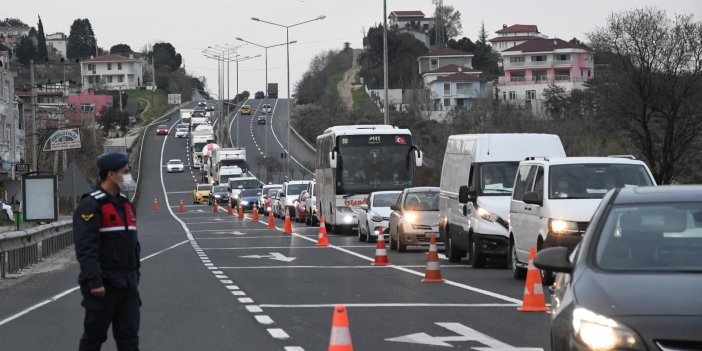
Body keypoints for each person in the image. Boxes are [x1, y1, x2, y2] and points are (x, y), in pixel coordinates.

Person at [73, 152, 141, 351]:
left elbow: (133, 247)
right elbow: (86, 248)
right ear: (111, 174)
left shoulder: (126, 206)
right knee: (94, 338)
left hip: (128, 286)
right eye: (125, 172)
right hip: (103, 286)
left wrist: (135, 277)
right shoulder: (91, 205)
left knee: (129, 339)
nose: (128, 176)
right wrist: (94, 282)